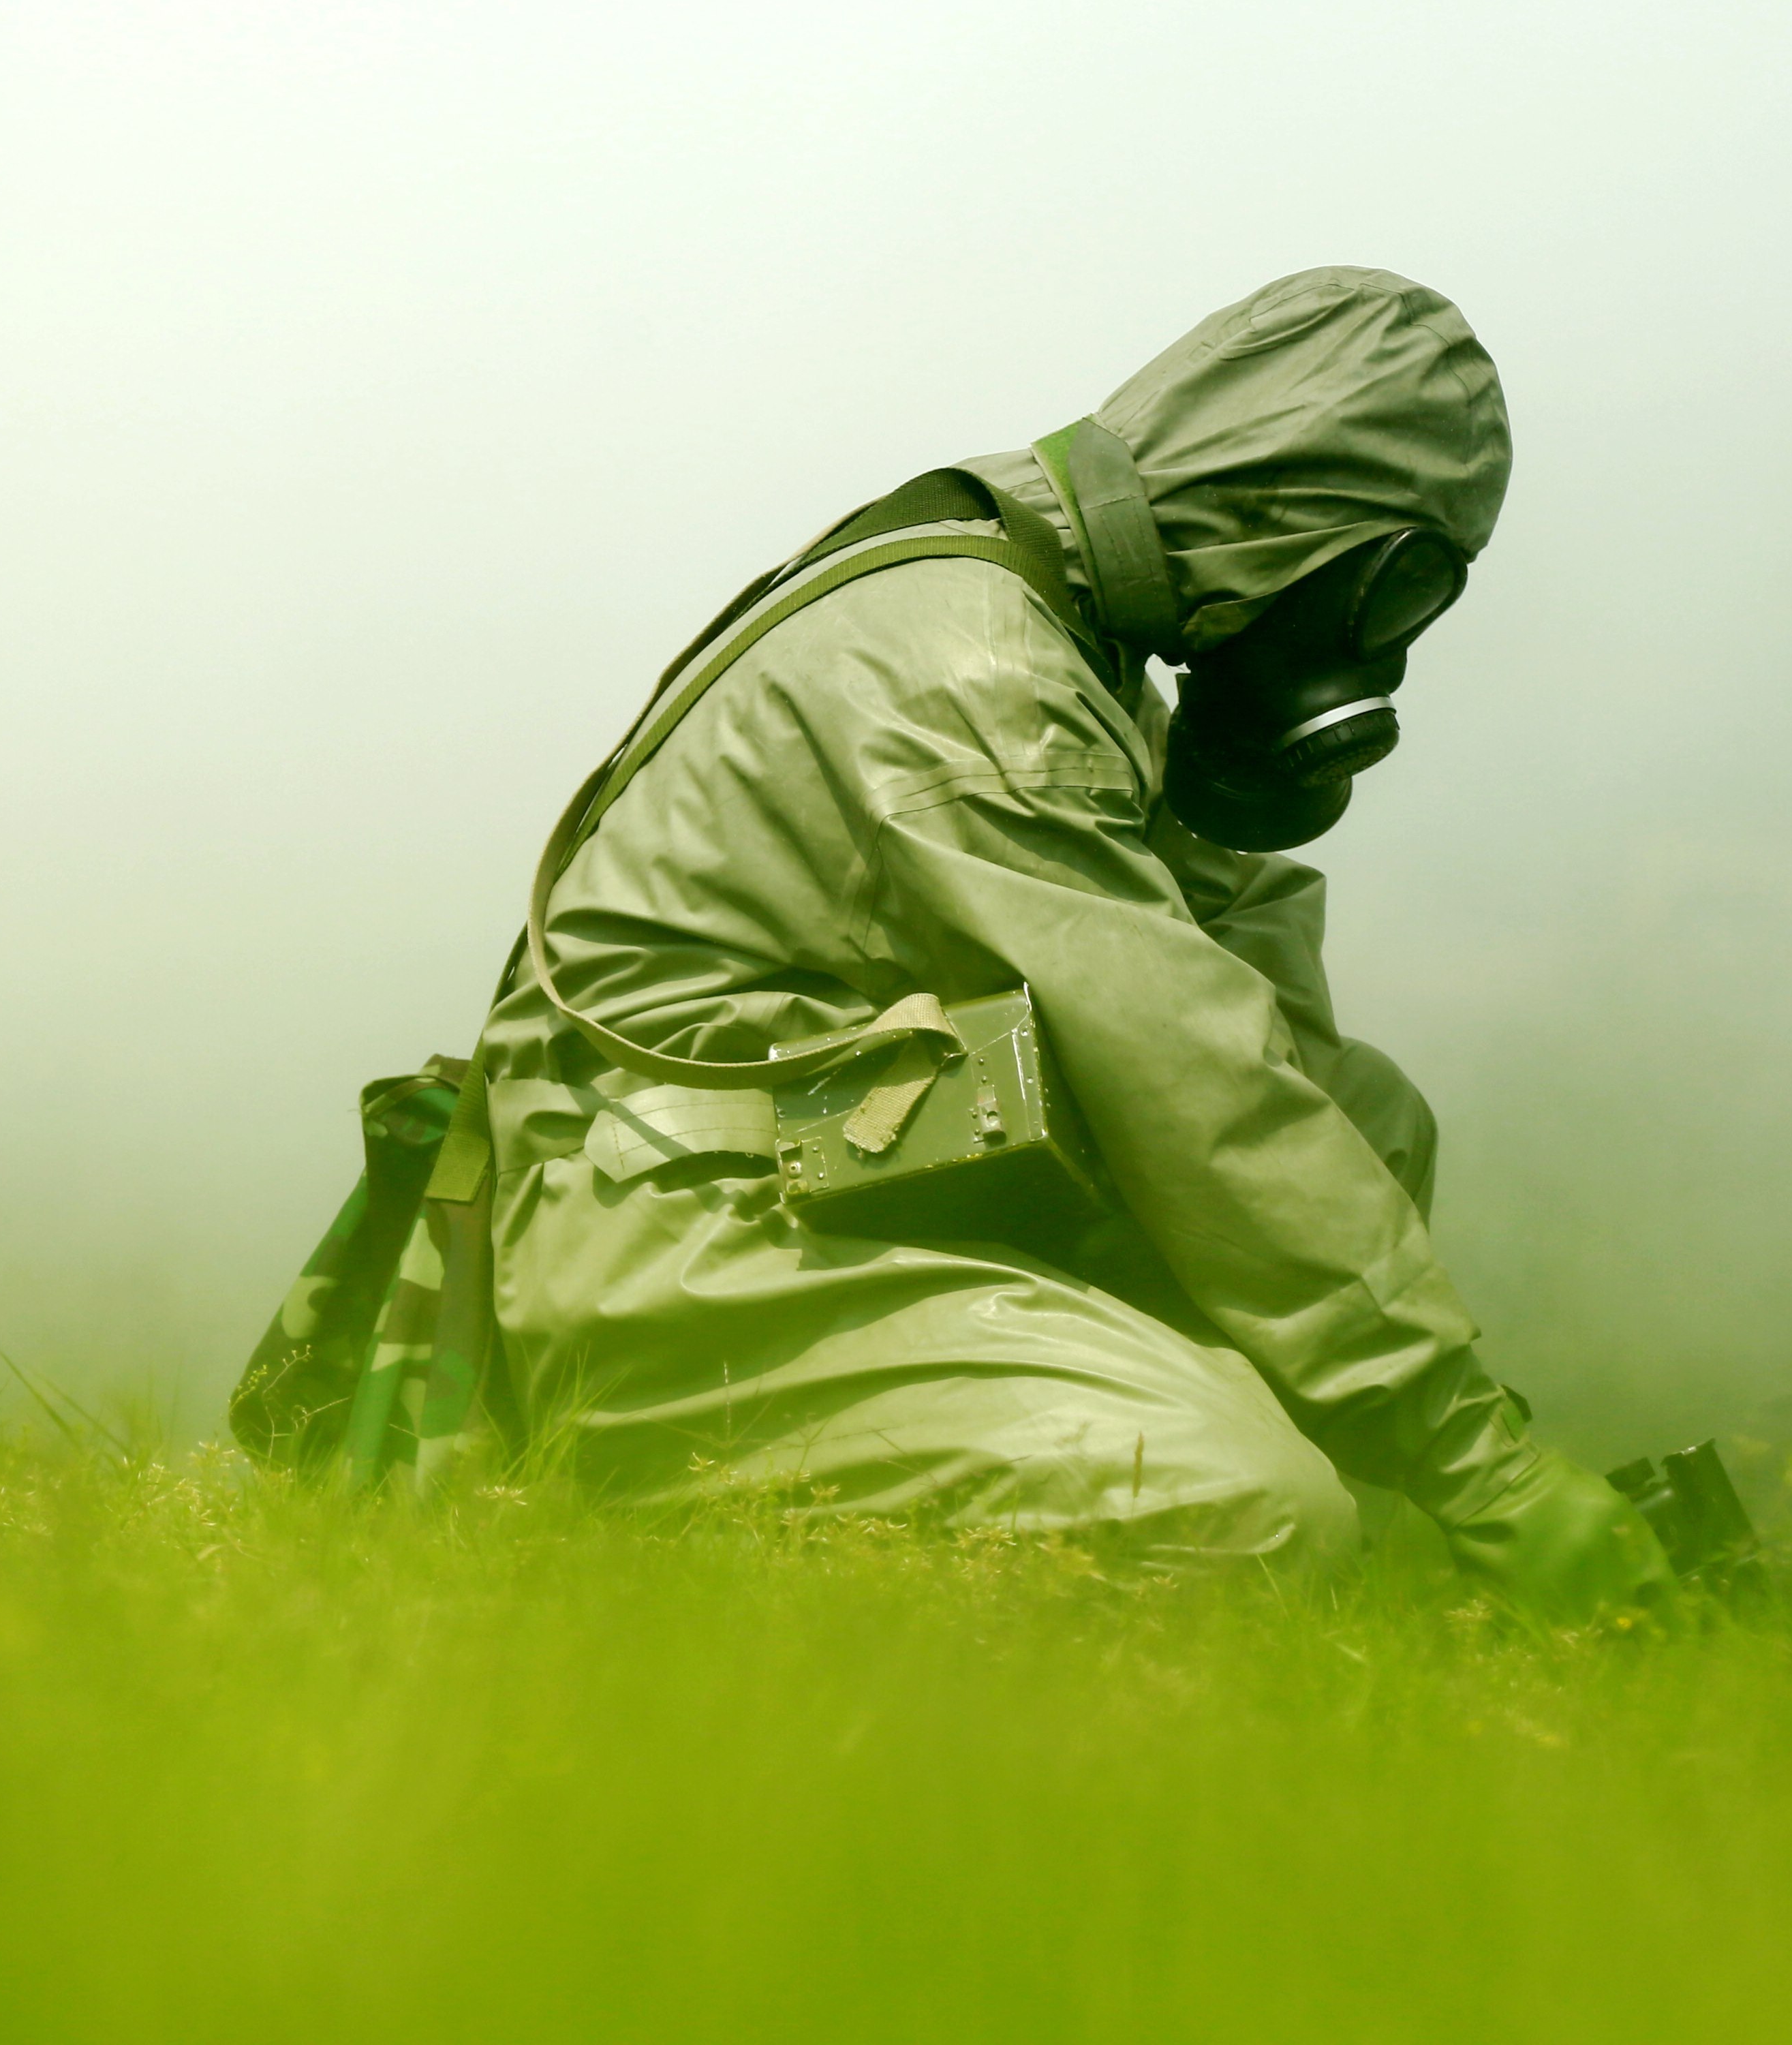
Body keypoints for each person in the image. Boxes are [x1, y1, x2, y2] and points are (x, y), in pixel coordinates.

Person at [472, 266, 1671, 1616]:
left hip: (810, 1179)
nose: (1380, 653)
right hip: (673, 1254)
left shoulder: (1053, 631)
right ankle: (693, 1587)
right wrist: (1486, 1470)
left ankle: (1241, 1554)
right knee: (1246, 1512)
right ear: (1280, 510)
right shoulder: (977, 676)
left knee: (1370, 1123)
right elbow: (1199, 1089)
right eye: (1388, 593)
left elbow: (1275, 1060)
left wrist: (1220, 803)